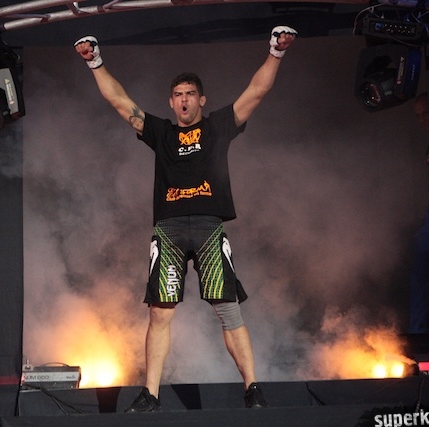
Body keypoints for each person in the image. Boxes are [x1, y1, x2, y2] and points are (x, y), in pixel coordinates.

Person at [74, 26, 297, 412]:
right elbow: (120, 102)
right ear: (171, 101)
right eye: (177, 94)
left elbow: (256, 92)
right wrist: (95, 62)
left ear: (201, 99)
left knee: (228, 309)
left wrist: (276, 52)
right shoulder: (160, 132)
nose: (183, 100)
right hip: (169, 230)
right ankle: (151, 395)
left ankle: (253, 390)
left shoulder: (217, 126)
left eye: (190, 94)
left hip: (209, 227)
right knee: (159, 313)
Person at [408, 92, 429, 335]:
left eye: (426, 114)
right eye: (418, 116)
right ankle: (419, 333)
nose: (423, 121)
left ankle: (420, 332)